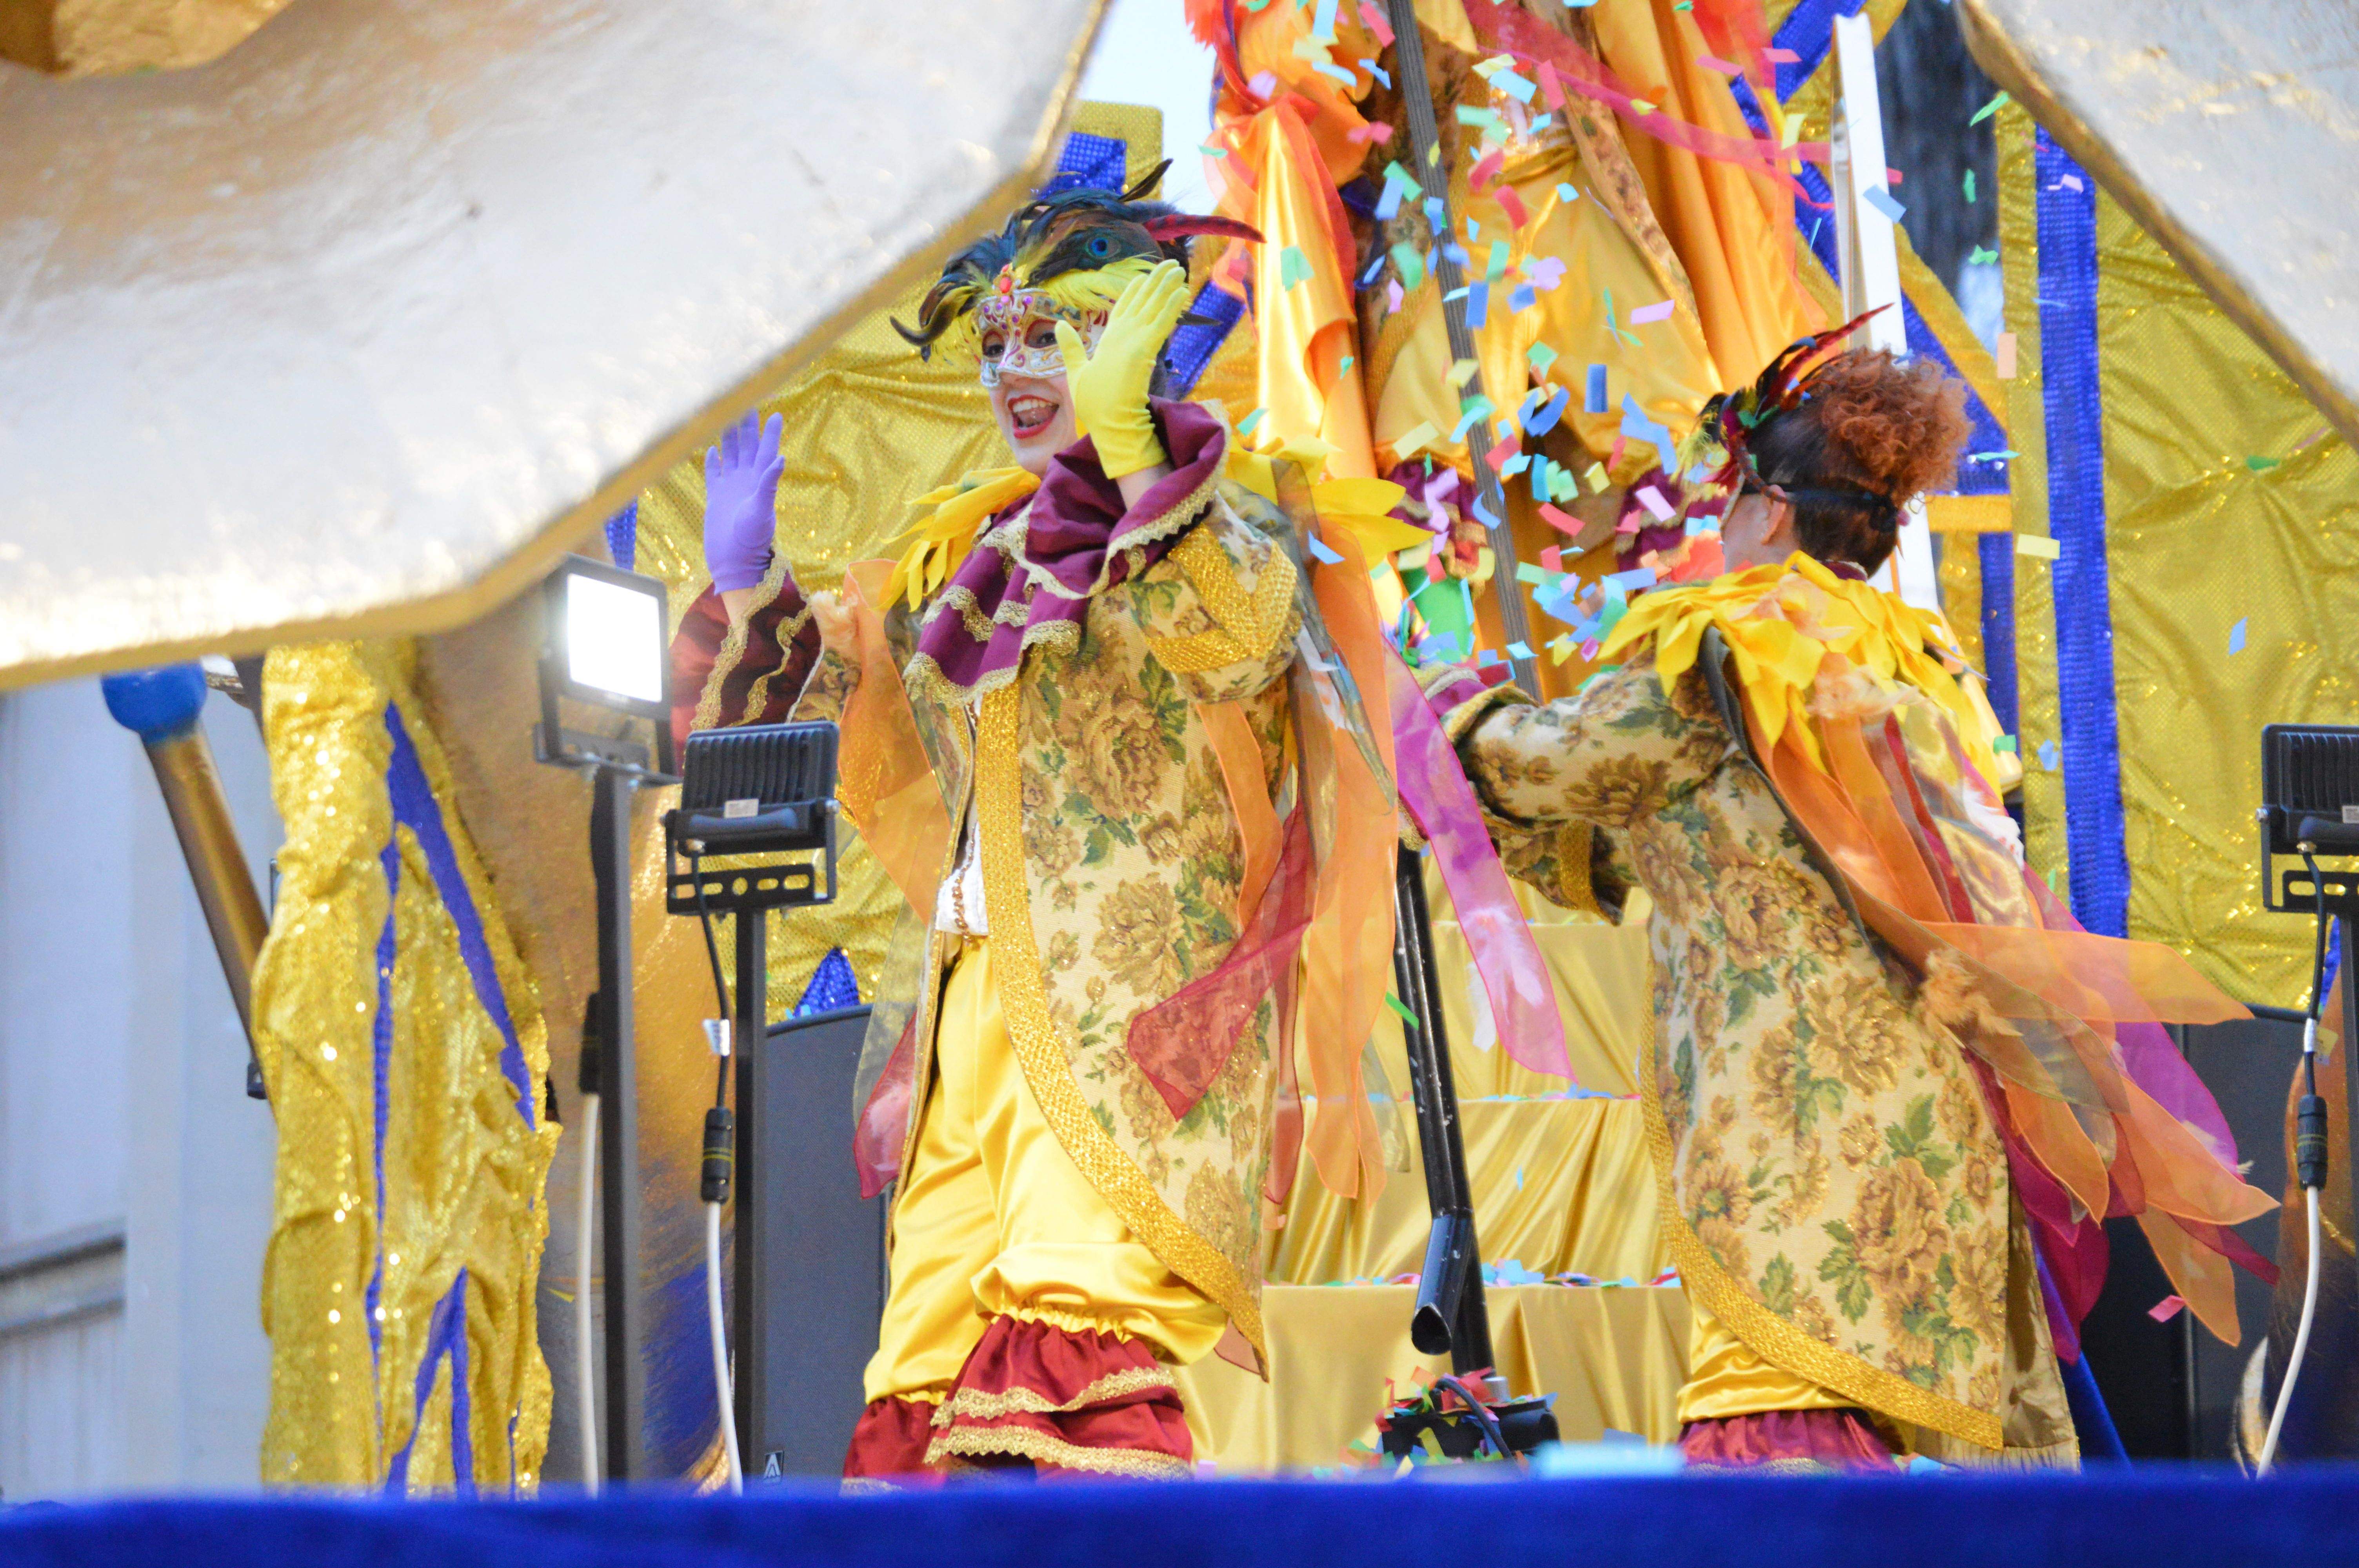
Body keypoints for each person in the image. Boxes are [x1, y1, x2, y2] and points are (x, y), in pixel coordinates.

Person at [1419, 329, 2277, 1468]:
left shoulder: (1725, 642)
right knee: (1919, 1453)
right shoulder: (1923, 663)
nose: (1718, 527)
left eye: (1728, 501)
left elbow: (1555, 762)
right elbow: (1689, 844)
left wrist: (1447, 707)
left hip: (1796, 1122)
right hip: (1935, 1119)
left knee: (1789, 1438)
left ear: (1770, 510)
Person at [671, 172, 1401, 1480]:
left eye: (1050, 334)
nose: (1013, 365)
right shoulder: (972, 553)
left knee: (1064, 1366)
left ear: (1126, 342)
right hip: (972, 1030)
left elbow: (1233, 643)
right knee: (924, 1380)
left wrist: (1133, 460)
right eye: (996, 340)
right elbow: (854, 713)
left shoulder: (1205, 531)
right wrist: (750, 585)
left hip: (1122, 1023)